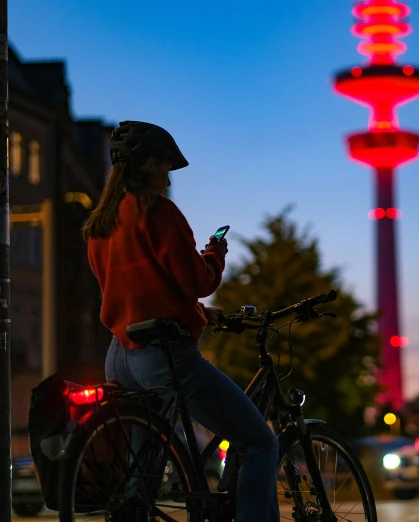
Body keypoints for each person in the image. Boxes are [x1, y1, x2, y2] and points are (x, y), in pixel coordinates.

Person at [84, 121, 279, 522]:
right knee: (259, 442)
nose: (169, 178)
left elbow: (137, 290)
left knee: (145, 476)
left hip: (120, 356)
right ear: (150, 164)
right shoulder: (157, 211)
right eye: (167, 168)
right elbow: (196, 280)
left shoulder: (100, 225)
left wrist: (197, 314)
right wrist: (215, 255)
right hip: (164, 357)